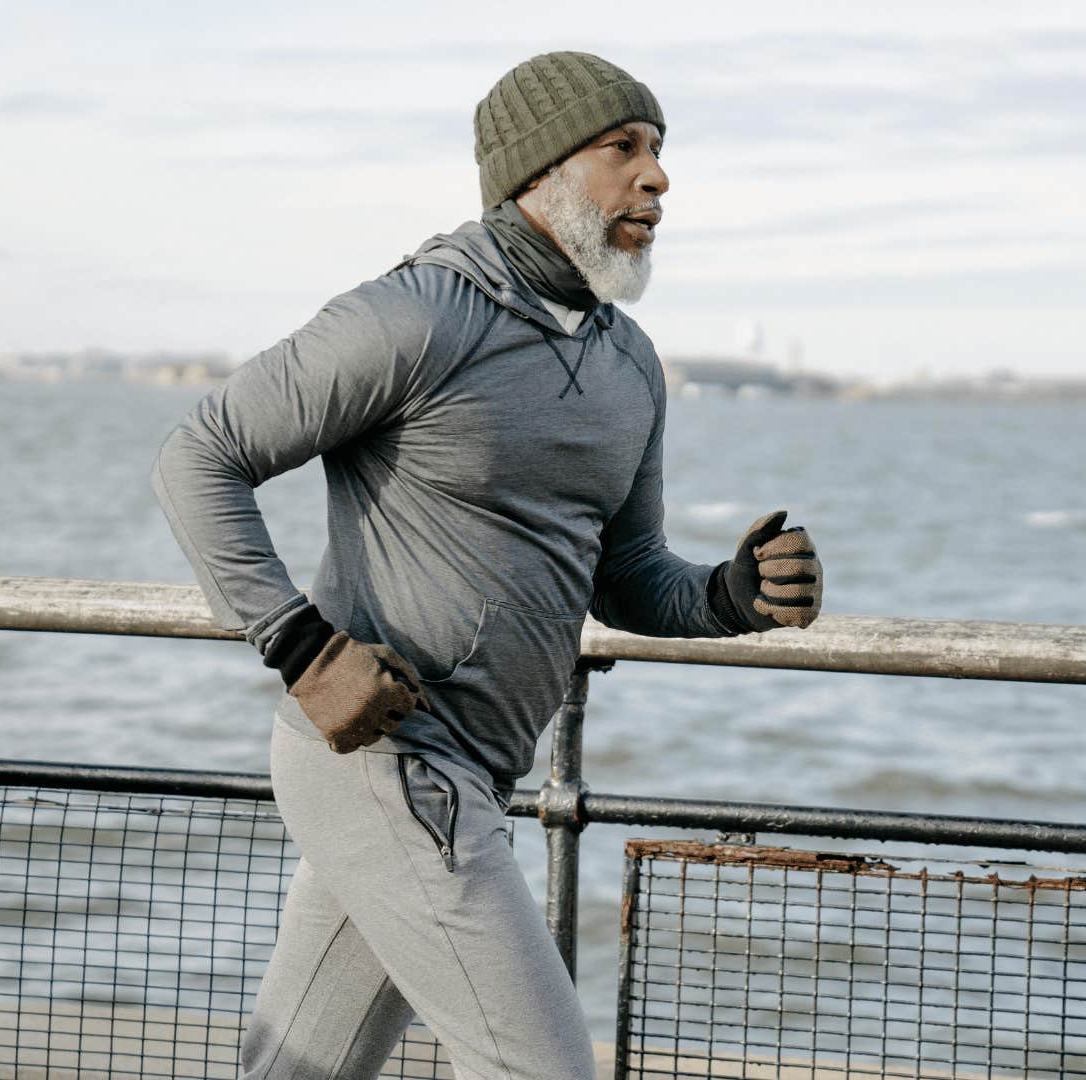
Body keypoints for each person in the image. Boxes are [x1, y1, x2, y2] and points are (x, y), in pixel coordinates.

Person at [150, 50, 824, 1080]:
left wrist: (733, 595)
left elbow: (628, 568)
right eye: (625, 150)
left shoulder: (628, 361)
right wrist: (300, 646)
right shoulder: (417, 316)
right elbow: (199, 456)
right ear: (538, 170)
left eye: (661, 152)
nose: (658, 179)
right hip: (391, 765)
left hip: (473, 775)